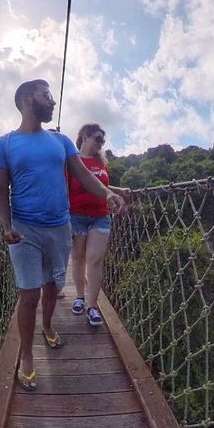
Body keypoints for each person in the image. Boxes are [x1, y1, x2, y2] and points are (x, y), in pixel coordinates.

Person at [0, 80, 127, 391]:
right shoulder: (4, 145)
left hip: (60, 228)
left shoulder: (61, 142)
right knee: (29, 293)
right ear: (27, 100)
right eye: (46, 96)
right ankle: (27, 355)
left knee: (52, 286)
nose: (52, 102)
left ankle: (48, 326)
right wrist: (5, 225)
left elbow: (83, 176)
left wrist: (107, 194)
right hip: (25, 231)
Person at [68, 123, 131, 326]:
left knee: (94, 259)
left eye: (102, 141)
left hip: (100, 215)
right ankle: (79, 297)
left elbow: (98, 184)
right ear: (85, 137)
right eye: (97, 139)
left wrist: (116, 189)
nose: (100, 144)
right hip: (76, 215)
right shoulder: (71, 161)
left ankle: (92, 306)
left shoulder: (100, 162)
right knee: (78, 258)